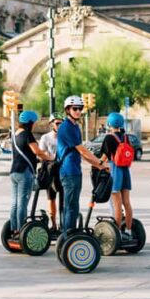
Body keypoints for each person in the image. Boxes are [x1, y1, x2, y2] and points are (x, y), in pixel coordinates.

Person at [58, 95, 106, 236]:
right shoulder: (66, 127)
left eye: (80, 109)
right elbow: (83, 150)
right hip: (69, 171)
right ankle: (68, 237)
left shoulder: (75, 127)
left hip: (75, 170)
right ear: (68, 110)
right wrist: (100, 163)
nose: (78, 111)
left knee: (73, 205)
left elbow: (83, 154)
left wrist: (98, 164)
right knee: (71, 207)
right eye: (75, 109)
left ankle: (70, 235)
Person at [9, 111, 53, 239]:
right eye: (33, 122)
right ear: (30, 123)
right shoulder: (27, 134)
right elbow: (37, 151)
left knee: (15, 203)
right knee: (22, 203)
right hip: (24, 172)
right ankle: (21, 229)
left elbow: (24, 152)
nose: (34, 125)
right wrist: (51, 157)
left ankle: (14, 229)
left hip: (14, 172)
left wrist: (37, 159)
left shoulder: (15, 134)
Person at [99, 112, 134, 239]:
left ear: (109, 123)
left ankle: (117, 232)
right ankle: (129, 231)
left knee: (117, 205)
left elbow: (104, 157)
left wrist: (97, 165)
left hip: (115, 171)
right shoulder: (125, 137)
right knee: (127, 203)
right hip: (125, 171)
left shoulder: (109, 138)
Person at [39, 114, 63, 233]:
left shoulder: (65, 137)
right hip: (50, 171)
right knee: (51, 198)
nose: (60, 126)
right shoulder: (45, 138)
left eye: (62, 123)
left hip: (63, 171)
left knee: (63, 200)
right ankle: (53, 225)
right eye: (57, 123)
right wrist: (51, 158)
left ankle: (63, 224)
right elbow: (41, 154)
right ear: (51, 124)